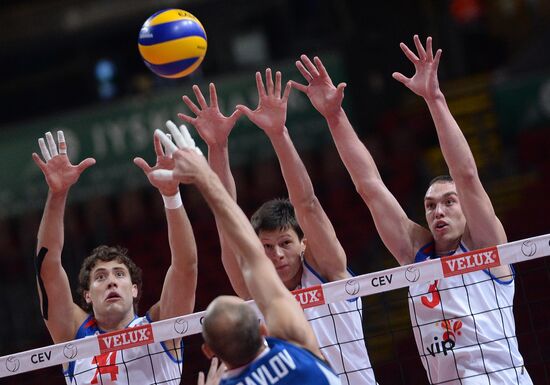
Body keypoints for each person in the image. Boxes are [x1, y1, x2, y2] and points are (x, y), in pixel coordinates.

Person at [289, 37, 533, 384]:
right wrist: (334, 115)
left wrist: (434, 99)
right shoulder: (415, 257)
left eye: (449, 202)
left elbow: (465, 174)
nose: (438, 211)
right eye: (430, 205)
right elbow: (370, 187)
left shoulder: (487, 249)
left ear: (467, 211)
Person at [178, 75, 377, 384]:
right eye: (267, 247)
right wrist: (217, 148)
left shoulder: (329, 271)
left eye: (285, 242)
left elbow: (307, 203)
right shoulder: (256, 296)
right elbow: (227, 226)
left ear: (303, 244)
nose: (277, 255)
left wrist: (278, 133)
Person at [151, 126, 341, 385]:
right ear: (263, 329)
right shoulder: (295, 345)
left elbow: (252, 257)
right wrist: (204, 177)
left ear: (210, 352)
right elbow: (253, 257)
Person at [32, 127, 198, 385]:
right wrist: (57, 194)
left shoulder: (161, 327)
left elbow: (186, 266)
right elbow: (47, 269)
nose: (111, 281)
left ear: (133, 289)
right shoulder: (74, 336)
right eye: (100, 277)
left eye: (119, 274)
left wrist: (171, 195)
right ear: (87, 295)